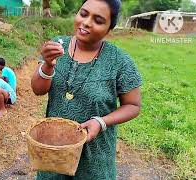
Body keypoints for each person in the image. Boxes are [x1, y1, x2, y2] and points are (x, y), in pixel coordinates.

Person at [31, 0, 142, 179]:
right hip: (54, 151)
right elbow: (37, 90)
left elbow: (133, 106)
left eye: (98, 20)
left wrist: (101, 122)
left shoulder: (120, 62)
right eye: (83, 14)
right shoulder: (57, 45)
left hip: (95, 156)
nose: (86, 22)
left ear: (109, 28)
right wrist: (48, 65)